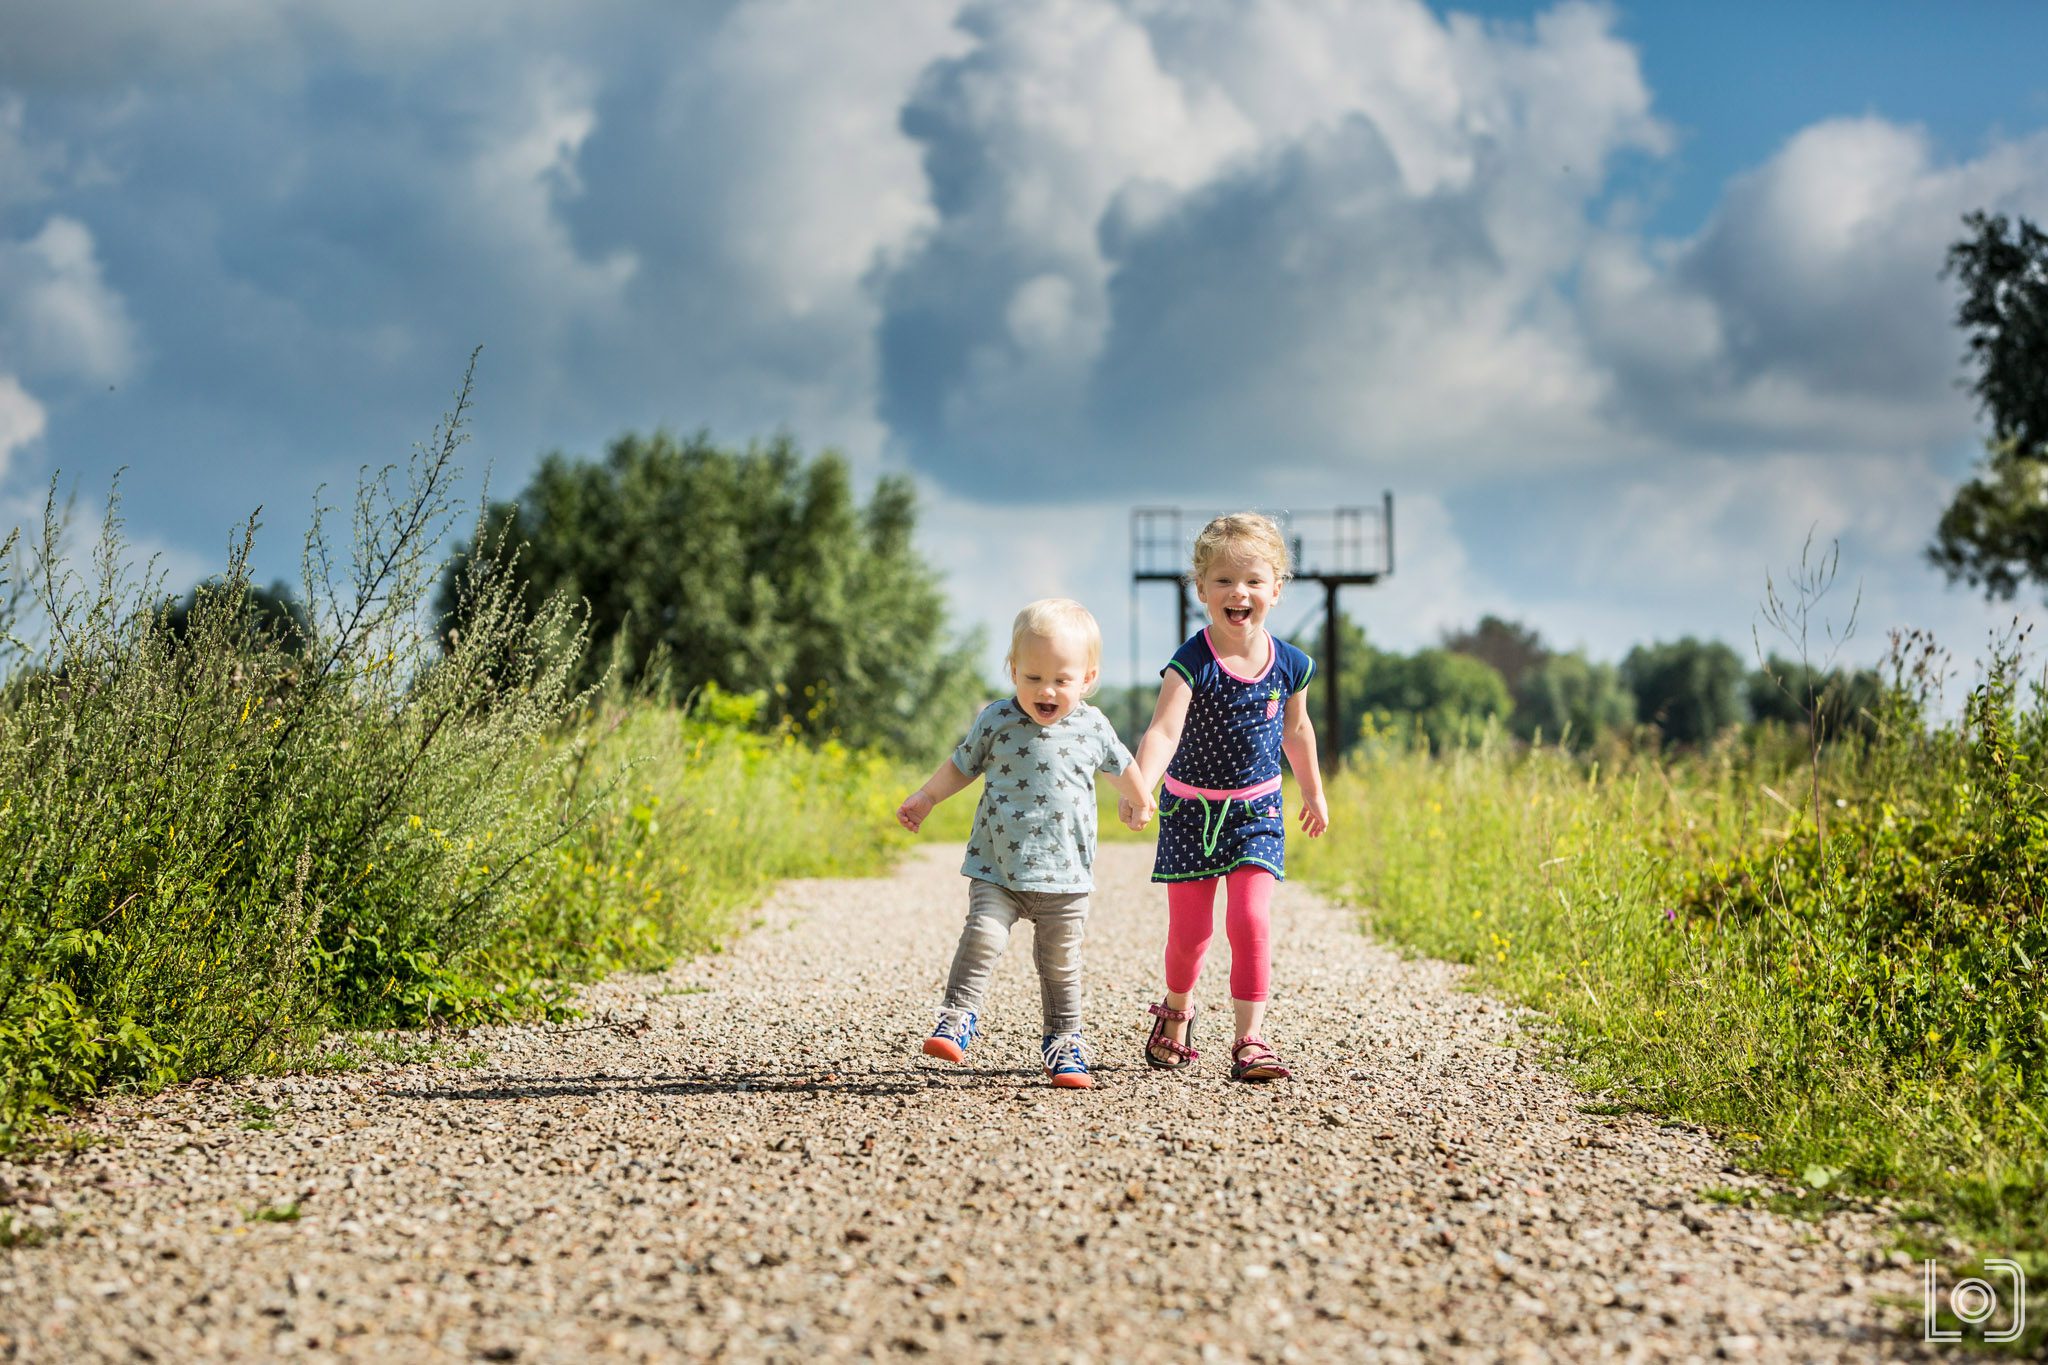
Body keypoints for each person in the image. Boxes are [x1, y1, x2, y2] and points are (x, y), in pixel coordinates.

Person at [896, 598, 1155, 1089]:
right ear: (1013, 670)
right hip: (998, 868)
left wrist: (1141, 800)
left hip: (1066, 876)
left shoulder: (1092, 726)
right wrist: (927, 797)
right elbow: (961, 764)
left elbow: (1122, 765)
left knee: (1061, 962)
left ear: (1088, 678)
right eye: (1032, 677)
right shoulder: (997, 719)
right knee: (984, 936)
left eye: (1061, 679)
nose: (1046, 690)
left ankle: (1065, 1042)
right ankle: (957, 1016)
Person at [1122, 513, 1328, 1082]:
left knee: (1250, 918)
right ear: (1201, 590)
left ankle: (1250, 1039)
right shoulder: (1192, 661)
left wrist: (1312, 791)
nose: (1239, 593)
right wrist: (1142, 787)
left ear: (1276, 590)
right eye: (1223, 581)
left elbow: (1298, 731)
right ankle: (1178, 1009)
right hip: (1190, 812)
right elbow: (1163, 731)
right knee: (1191, 937)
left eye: (1254, 581)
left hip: (1257, 813)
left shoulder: (1292, 664)